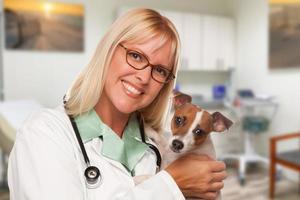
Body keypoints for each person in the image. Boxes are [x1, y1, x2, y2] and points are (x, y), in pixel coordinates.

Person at [8, 8, 226, 200]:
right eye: (136, 56)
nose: (143, 77)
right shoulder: (44, 134)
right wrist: (172, 184)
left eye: (160, 70)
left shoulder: (156, 145)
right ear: (108, 50)